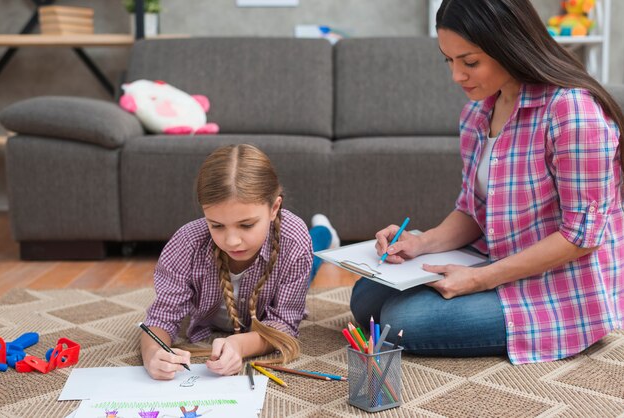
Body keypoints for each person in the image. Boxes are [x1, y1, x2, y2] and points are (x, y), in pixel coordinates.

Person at [351, 0, 623, 364]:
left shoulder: (573, 112)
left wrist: (480, 280)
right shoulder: (478, 113)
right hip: (496, 257)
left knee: (401, 321)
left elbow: (581, 238)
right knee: (365, 297)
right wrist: (421, 243)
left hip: (559, 283)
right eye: (449, 61)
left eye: (470, 62)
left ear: (508, 46)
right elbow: (473, 209)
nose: (456, 76)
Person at [141, 144, 339, 379]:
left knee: (313, 256)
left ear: (274, 208)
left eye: (246, 225)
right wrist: (153, 353)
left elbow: (285, 323)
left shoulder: (292, 239)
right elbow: (161, 317)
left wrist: (241, 345)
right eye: (216, 225)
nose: (232, 241)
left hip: (290, 249)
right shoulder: (187, 242)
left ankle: (324, 232)